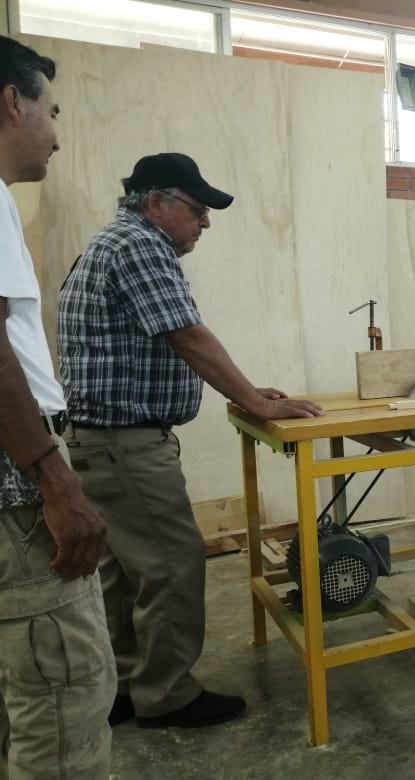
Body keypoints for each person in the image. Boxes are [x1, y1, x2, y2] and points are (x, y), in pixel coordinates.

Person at [57, 152, 325, 729]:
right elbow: (189, 336)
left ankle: (126, 686)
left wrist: (248, 390)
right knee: (172, 566)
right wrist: (254, 401)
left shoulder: (109, 244)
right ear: (157, 202)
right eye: (197, 210)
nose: (204, 223)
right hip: (125, 444)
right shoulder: (140, 245)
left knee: (125, 573)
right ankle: (167, 696)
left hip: (99, 441)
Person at [0, 36, 116, 777]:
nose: (57, 133)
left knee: (26, 688)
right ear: (11, 102)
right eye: (51, 110)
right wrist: (55, 479)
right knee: (65, 689)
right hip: (17, 480)